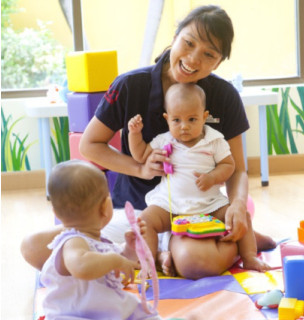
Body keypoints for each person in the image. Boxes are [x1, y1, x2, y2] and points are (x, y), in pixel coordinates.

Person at [21, 5, 276, 278]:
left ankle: (231, 243)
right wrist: (139, 168)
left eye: (208, 54)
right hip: (137, 213)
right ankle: (158, 256)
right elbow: (89, 145)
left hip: (197, 212)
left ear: (218, 63)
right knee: (36, 248)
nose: (193, 58)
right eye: (188, 43)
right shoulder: (131, 85)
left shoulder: (224, 96)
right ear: (175, 37)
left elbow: (235, 168)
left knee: (193, 263)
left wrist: (237, 204)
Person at [128, 83, 269, 276]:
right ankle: (149, 261)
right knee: (145, 220)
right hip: (171, 207)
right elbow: (141, 154)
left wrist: (212, 177)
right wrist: (134, 135)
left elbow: (229, 165)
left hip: (209, 205)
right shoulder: (164, 140)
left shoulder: (214, 140)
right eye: (176, 120)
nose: (184, 126)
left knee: (241, 215)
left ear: (204, 117)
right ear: (167, 118)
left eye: (192, 119)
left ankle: (250, 256)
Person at [39, 159, 161, 320]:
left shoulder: (100, 242)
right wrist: (114, 260)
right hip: (72, 315)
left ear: (55, 212)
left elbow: (117, 265)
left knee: (142, 311)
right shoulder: (72, 241)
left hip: (105, 311)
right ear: (105, 207)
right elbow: (81, 266)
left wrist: (129, 249)